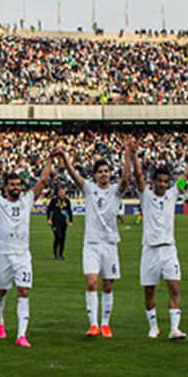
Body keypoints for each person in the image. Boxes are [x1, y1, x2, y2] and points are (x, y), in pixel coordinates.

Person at [0, 151, 53, 347]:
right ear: (5, 188)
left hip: (23, 255)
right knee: (0, 294)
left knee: (23, 291)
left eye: (18, 185)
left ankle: (21, 335)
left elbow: (43, 180)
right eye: (12, 185)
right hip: (3, 255)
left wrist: (49, 160)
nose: (16, 188)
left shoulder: (26, 201)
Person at [55, 141, 134, 338]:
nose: (104, 174)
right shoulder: (89, 189)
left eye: (106, 171)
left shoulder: (116, 191)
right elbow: (74, 176)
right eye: (100, 171)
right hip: (91, 244)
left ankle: (106, 324)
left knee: (108, 285)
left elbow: (126, 178)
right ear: (95, 175)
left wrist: (128, 154)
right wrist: (64, 158)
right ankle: (93, 324)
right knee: (91, 283)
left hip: (109, 244)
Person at [131, 140, 188, 340]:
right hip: (149, 250)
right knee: (149, 291)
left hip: (168, 249)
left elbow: (185, 176)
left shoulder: (173, 195)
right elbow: (138, 176)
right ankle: (153, 327)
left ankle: (175, 329)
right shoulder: (146, 196)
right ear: (153, 182)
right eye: (159, 181)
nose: (163, 184)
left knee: (174, 287)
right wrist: (133, 154)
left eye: (166, 181)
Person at [46, 186, 73, 260]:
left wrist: (71, 221)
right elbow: (48, 210)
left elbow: (70, 211)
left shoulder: (67, 201)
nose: (62, 193)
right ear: (58, 192)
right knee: (58, 236)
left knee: (63, 239)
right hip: (55, 222)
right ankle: (55, 253)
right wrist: (49, 219)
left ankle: (60, 254)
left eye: (63, 192)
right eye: (61, 192)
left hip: (63, 223)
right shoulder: (54, 200)